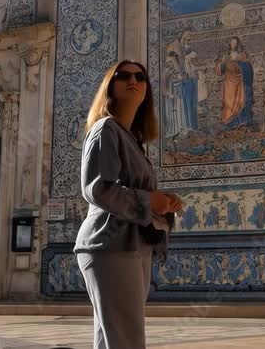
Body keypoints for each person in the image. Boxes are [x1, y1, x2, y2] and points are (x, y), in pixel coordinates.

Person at [75, 60, 184, 349]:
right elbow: (98, 189)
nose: (132, 80)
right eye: (123, 76)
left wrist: (162, 202)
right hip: (110, 245)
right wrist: (150, 200)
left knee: (114, 338)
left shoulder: (131, 138)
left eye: (140, 76)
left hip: (130, 245)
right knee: (126, 339)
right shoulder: (105, 130)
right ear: (110, 86)